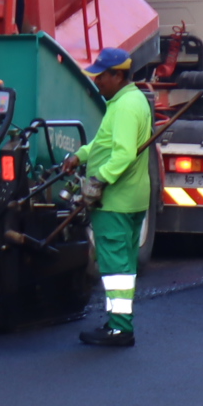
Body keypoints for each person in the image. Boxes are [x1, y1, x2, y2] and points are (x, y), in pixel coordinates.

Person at [75, 46, 155, 349]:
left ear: (118, 75)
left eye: (101, 76)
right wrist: (81, 155)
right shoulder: (130, 100)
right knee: (124, 265)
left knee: (116, 269)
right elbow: (104, 142)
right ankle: (117, 323)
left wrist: (98, 180)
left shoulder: (123, 107)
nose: (97, 81)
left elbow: (122, 154)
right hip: (132, 200)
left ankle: (120, 329)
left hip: (115, 202)